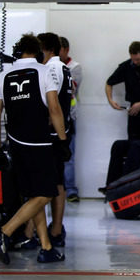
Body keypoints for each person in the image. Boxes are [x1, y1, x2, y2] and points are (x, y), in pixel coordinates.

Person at [0, 33, 70, 264]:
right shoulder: (43, 72)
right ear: (38, 52)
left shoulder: (4, 75)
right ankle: (5, 231)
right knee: (46, 193)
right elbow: (54, 109)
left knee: (34, 194)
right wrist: (63, 140)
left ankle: (46, 247)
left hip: (15, 144)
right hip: (40, 144)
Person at [38, 32, 73, 248]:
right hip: (61, 132)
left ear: (47, 49)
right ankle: (56, 228)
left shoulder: (51, 69)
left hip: (50, 135)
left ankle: (55, 229)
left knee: (47, 185)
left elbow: (51, 105)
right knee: (57, 182)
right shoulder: (63, 68)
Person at [59, 37, 81, 202]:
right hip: (52, 118)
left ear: (66, 50)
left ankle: (71, 189)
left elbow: (69, 87)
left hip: (69, 117)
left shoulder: (74, 67)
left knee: (69, 156)